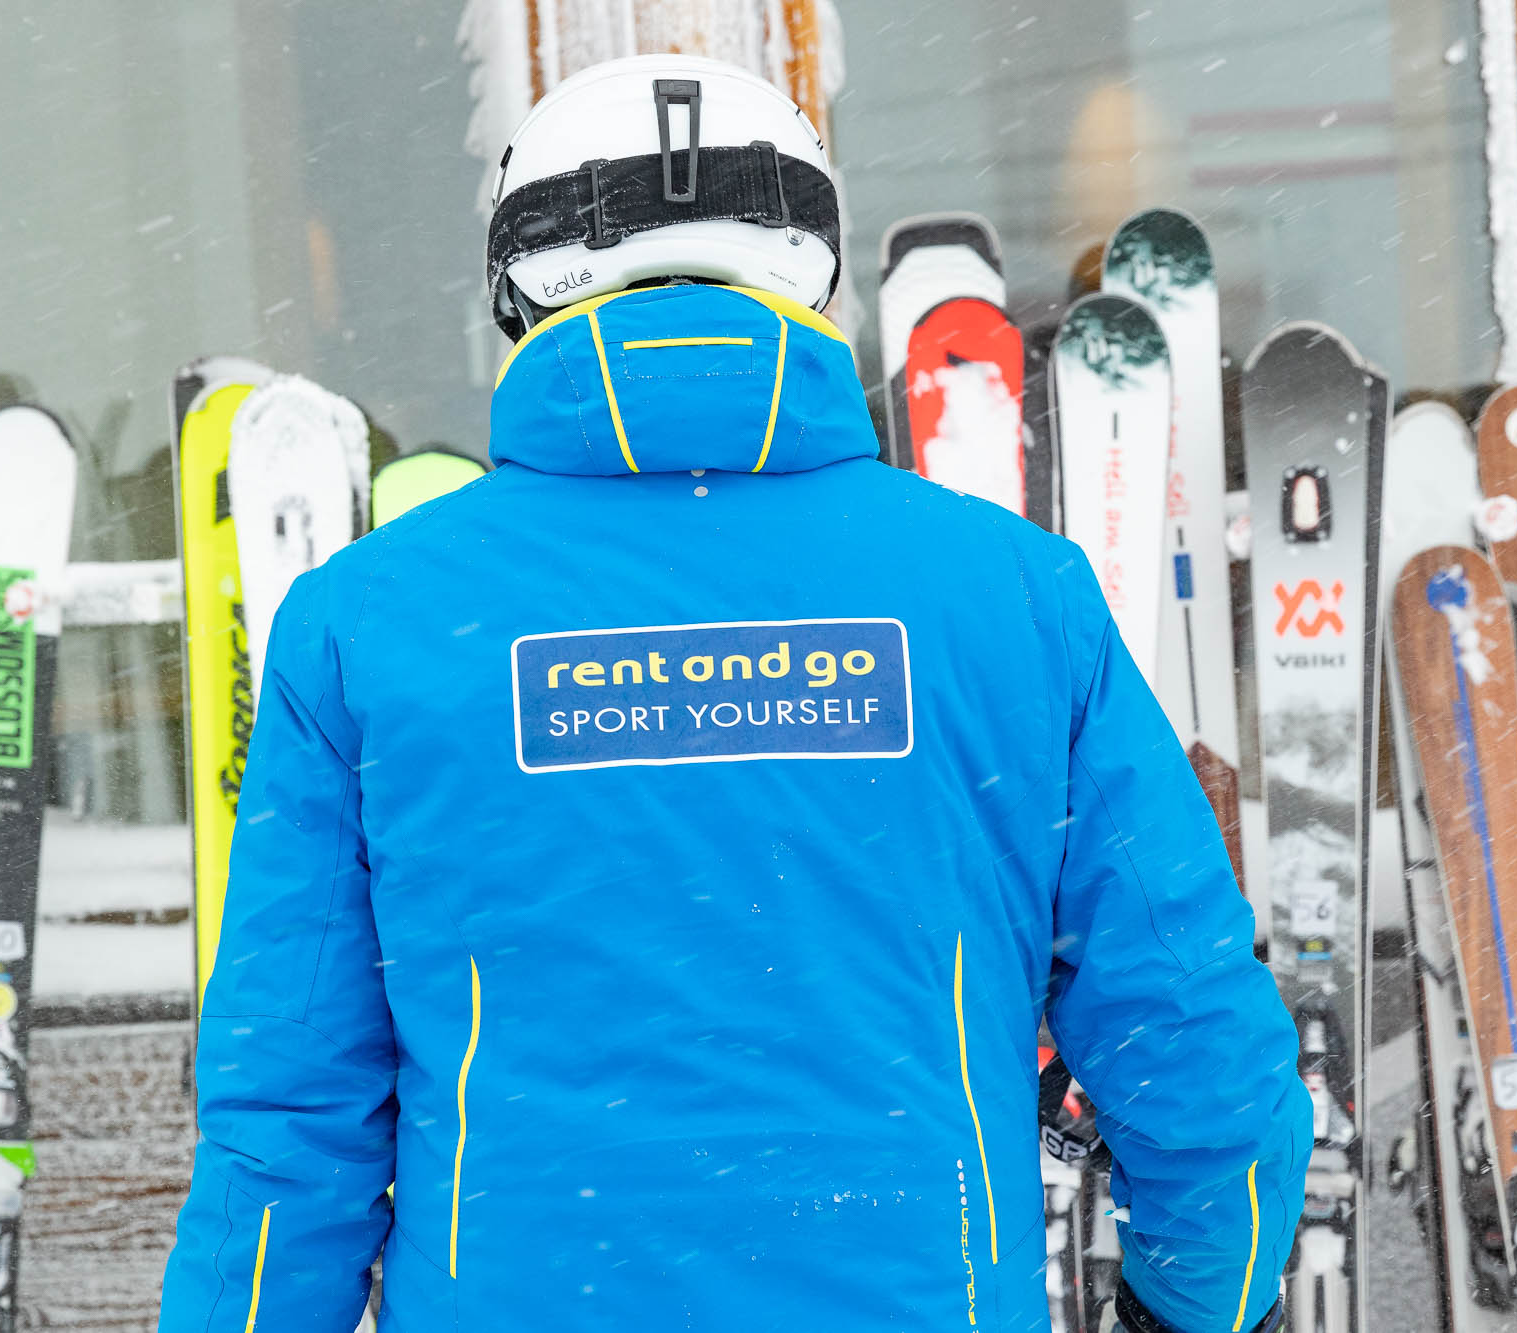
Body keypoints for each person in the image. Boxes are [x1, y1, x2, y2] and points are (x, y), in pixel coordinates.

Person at [159, 53, 1308, 1333]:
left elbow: (289, 1120)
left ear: (517, 283)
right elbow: (1198, 1048)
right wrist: (1196, 1304)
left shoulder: (366, 623)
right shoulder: (1013, 597)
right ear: (810, 266)